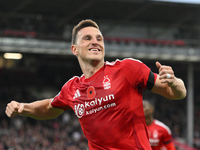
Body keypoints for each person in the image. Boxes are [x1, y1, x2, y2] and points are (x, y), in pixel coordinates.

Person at [5, 19, 186, 150]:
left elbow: (176, 93)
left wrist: (175, 82)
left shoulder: (128, 69)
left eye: (99, 38)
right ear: (74, 49)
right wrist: (23, 107)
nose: (95, 42)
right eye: (87, 38)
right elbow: (48, 107)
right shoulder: (72, 88)